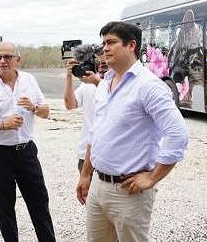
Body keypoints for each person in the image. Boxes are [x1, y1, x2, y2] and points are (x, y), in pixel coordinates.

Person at [76, 22, 189, 242]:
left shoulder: (149, 86)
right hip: (98, 186)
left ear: (131, 45)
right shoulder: (104, 84)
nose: (105, 48)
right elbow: (95, 134)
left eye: (111, 42)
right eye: (103, 43)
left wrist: (152, 177)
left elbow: (178, 134)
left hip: (129, 192)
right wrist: (85, 174)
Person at [0, 42, 56, 242]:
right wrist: (3, 124)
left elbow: (46, 111)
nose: (2, 61)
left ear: (18, 59)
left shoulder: (29, 81)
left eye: (7, 56)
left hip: (26, 152)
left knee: (39, 202)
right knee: (4, 207)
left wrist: (33, 107)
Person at [63, 45, 107, 172]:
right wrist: (69, 77)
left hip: (109, 155)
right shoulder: (87, 84)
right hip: (86, 153)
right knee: (85, 192)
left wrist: (96, 81)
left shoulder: (117, 82)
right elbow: (70, 105)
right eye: (99, 63)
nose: (102, 66)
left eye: (104, 64)